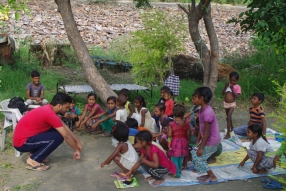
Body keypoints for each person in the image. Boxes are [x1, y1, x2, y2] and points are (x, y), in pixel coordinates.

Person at [13, 92, 82, 171]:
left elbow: (64, 127)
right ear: (59, 106)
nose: (67, 109)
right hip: (22, 142)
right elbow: (66, 136)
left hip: (23, 139)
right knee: (58, 136)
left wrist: (77, 141)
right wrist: (76, 150)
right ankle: (33, 160)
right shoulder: (50, 114)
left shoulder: (48, 108)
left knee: (56, 131)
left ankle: (33, 155)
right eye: (66, 107)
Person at [191, 87, 221, 184]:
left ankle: (212, 175)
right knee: (194, 154)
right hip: (207, 139)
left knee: (198, 158)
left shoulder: (207, 113)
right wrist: (198, 142)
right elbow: (201, 128)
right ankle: (208, 174)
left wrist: (201, 148)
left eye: (196, 97)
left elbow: (207, 132)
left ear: (202, 98)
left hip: (212, 140)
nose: (194, 99)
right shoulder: (201, 110)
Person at [167, 104, 190, 177]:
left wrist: (168, 139)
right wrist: (188, 141)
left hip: (175, 142)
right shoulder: (186, 123)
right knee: (181, 157)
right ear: (183, 114)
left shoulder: (171, 124)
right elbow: (188, 133)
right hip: (184, 141)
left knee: (174, 158)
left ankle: (176, 173)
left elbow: (170, 135)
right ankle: (179, 170)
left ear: (173, 113)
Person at [222, 72, 241, 139]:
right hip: (226, 104)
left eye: (234, 80)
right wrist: (226, 86)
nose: (232, 82)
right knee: (228, 117)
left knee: (229, 116)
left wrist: (232, 89)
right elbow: (222, 93)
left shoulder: (237, 87)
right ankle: (232, 126)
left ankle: (228, 133)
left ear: (237, 80)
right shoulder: (228, 85)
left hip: (232, 104)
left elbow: (237, 96)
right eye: (231, 80)